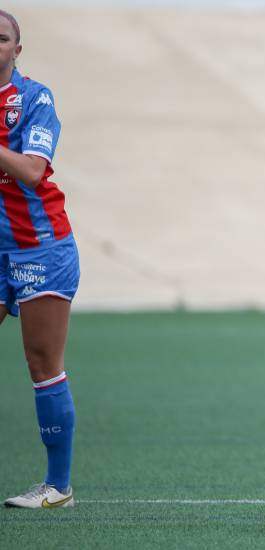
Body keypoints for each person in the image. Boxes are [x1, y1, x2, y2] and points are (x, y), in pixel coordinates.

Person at [0, 9, 79, 509]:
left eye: (1, 38)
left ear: (16, 50)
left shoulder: (34, 98)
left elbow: (31, 170)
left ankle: (58, 487)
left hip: (40, 245)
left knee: (42, 361)